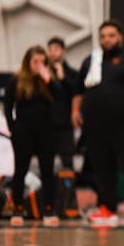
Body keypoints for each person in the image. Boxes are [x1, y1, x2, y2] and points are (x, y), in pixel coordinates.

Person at [72, 20, 124, 228]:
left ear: (120, 37)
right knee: (102, 169)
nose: (106, 39)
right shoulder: (91, 61)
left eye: (111, 35)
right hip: (95, 126)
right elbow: (78, 90)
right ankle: (107, 208)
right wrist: (75, 111)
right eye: (103, 36)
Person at [3, 46, 64, 227]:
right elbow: (8, 106)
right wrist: (12, 128)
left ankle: (49, 209)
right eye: (35, 61)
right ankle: (17, 209)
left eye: (42, 61)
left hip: (46, 130)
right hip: (23, 129)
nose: (39, 65)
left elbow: (60, 97)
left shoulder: (48, 80)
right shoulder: (17, 80)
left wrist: (48, 79)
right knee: (20, 170)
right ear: (28, 62)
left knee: (47, 170)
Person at [47, 37, 78, 170]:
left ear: (63, 51)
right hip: (47, 123)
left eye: (56, 49)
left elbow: (76, 93)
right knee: (46, 161)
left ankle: (68, 190)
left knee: (67, 162)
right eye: (50, 50)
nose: (53, 53)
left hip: (65, 123)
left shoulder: (72, 73)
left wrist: (63, 78)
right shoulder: (43, 73)